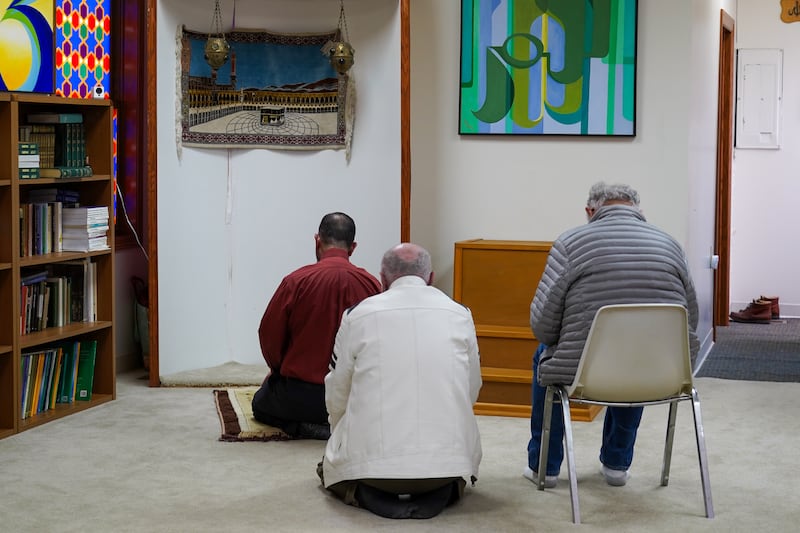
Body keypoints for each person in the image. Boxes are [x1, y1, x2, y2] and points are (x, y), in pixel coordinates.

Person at [525, 182, 699, 488]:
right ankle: (617, 465)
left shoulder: (571, 243)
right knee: (638, 354)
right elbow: (691, 319)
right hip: (662, 371)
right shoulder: (670, 245)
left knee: (544, 355)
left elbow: (543, 325)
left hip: (584, 373)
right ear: (638, 211)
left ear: (590, 212)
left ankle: (545, 468)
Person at [319, 243, 483, 519]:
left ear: (382, 280)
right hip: (447, 468)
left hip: (372, 472)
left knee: (332, 467)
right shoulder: (460, 314)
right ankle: (444, 489)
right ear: (430, 279)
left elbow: (338, 394)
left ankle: (363, 491)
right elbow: (471, 389)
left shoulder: (357, 315)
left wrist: (340, 438)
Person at [252, 212, 381, 440]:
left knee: (260, 404)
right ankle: (339, 424)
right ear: (352, 247)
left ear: (317, 240)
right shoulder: (372, 285)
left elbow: (269, 336)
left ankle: (304, 427)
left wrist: (278, 371)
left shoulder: (296, 281)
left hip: (302, 397)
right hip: (353, 395)